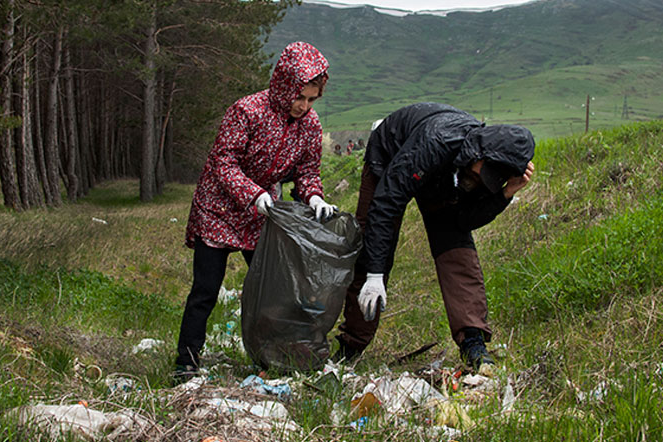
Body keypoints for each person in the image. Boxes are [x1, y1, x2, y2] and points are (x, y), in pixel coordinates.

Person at [174, 42, 336, 381]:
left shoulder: (309, 124)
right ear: (284, 85)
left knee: (273, 291)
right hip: (219, 207)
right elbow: (223, 161)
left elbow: (307, 171)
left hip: (261, 215)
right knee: (205, 290)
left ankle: (274, 357)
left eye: (311, 99)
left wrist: (314, 197)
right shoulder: (247, 111)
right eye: (299, 97)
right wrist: (253, 194)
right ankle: (186, 363)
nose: (303, 106)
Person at [334, 102, 535, 370]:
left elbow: (464, 221)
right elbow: (386, 203)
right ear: (479, 152)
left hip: (442, 176)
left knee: (457, 248)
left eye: (490, 178)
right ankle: (351, 344)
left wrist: (504, 194)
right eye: (484, 173)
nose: (481, 179)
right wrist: (374, 275)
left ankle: (473, 342)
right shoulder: (436, 142)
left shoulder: (482, 168)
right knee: (373, 239)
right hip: (391, 154)